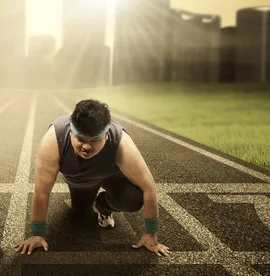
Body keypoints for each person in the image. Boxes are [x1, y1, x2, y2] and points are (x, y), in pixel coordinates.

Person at [14, 99, 170, 256]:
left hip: (110, 176)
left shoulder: (122, 145)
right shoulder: (53, 141)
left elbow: (149, 188)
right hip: (79, 180)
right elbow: (42, 191)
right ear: (70, 133)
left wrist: (151, 236)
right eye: (80, 139)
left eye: (95, 140)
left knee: (133, 199)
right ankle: (89, 202)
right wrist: (37, 234)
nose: (87, 147)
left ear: (106, 136)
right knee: (80, 211)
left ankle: (103, 206)